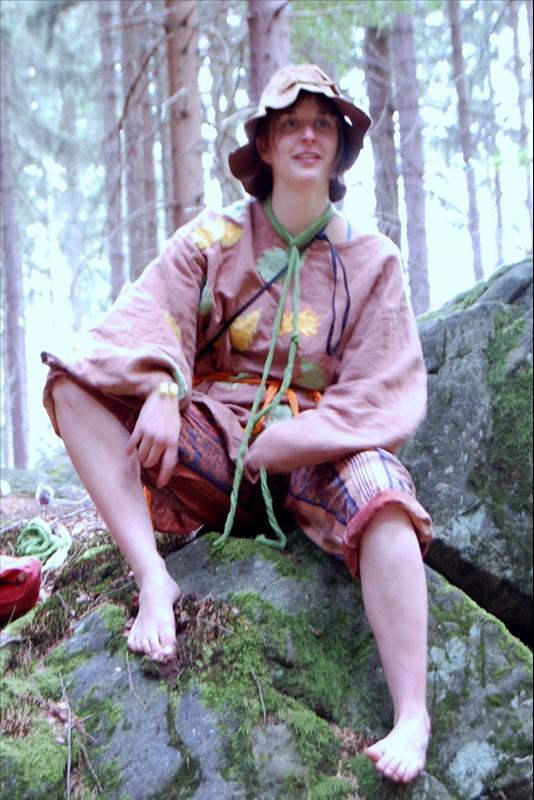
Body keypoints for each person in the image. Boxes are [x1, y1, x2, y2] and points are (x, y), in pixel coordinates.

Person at [42, 64, 433, 784]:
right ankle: (154, 579)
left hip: (320, 451)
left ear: (341, 146)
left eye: (323, 124)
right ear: (267, 144)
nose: (308, 136)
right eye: (291, 124)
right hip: (219, 445)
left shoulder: (373, 261)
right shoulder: (216, 235)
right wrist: (162, 385)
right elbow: (145, 317)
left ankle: (412, 712)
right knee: (72, 386)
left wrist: (298, 439)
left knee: (385, 496)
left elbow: (385, 385)